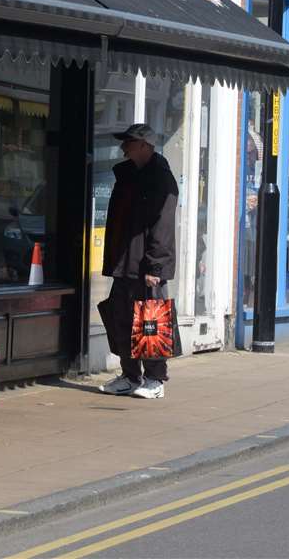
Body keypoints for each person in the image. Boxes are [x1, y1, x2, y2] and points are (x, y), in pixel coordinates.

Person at [99, 123, 178, 400]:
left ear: (145, 145)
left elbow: (163, 225)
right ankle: (130, 375)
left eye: (130, 143)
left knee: (150, 320)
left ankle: (155, 378)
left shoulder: (161, 178)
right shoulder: (129, 176)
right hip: (124, 261)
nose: (124, 148)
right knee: (120, 318)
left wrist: (156, 266)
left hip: (146, 265)